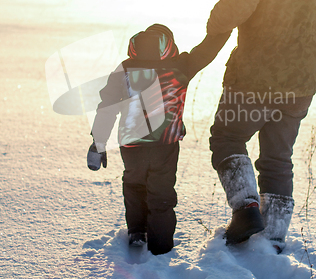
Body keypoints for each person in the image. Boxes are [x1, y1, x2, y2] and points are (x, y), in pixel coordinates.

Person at [206, 0, 316, 252]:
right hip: (301, 82)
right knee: (277, 157)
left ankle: (245, 210)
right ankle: (272, 239)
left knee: (226, 137)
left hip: (257, 82)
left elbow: (230, 13)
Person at [87, 24, 230, 255]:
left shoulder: (125, 68)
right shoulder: (181, 66)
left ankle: (137, 232)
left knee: (134, 184)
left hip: (131, 144)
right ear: (169, 44)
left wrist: (98, 141)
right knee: (161, 193)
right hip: (166, 143)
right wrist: (228, 24)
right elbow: (208, 49)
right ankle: (160, 249)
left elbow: (107, 106)